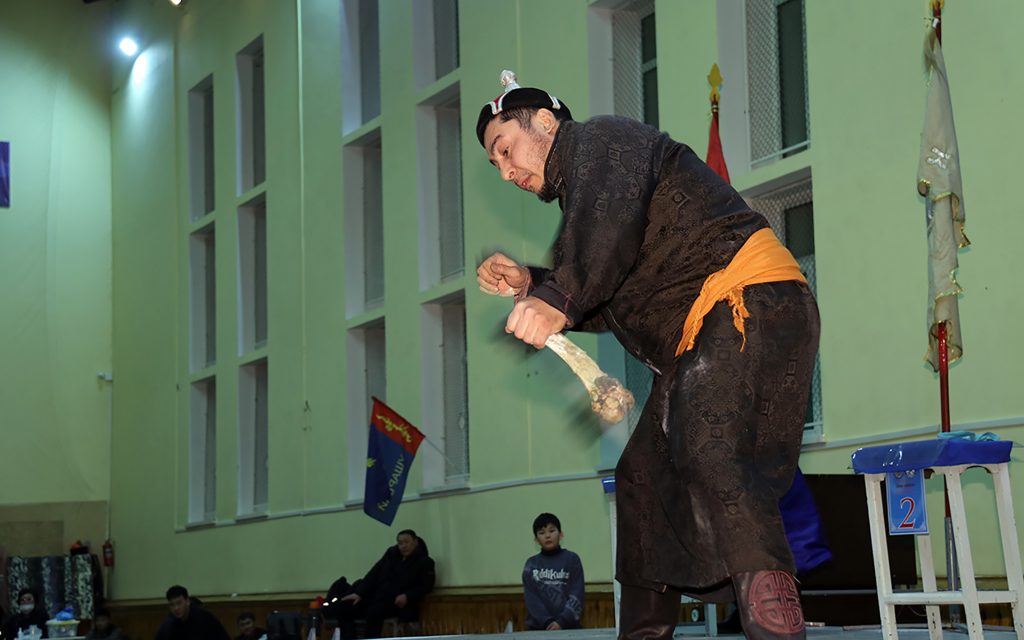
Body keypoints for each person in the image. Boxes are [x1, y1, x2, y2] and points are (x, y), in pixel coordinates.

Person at [475, 70, 820, 640]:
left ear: (544, 122)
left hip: (748, 302)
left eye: (505, 149)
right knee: (640, 477)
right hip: (706, 337)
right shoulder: (587, 203)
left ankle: (778, 632)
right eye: (495, 165)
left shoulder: (602, 142)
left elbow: (599, 249)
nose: (507, 172)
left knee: (711, 449)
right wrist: (532, 283)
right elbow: (608, 293)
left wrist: (556, 298)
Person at [329, 530, 435, 640]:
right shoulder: (391, 555)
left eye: (406, 542)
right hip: (377, 597)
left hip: (398, 602)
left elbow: (426, 586)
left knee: (374, 612)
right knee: (344, 607)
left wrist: (407, 596)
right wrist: (359, 593)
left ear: (415, 542)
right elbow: (374, 573)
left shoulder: (425, 562)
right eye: (400, 543)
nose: (403, 546)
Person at [522, 513, 584, 631]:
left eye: (552, 531)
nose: (547, 536)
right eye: (542, 533)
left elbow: (577, 594)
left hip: (569, 628)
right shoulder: (531, 565)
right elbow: (532, 600)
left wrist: (562, 622)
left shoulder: (572, 559)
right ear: (536, 540)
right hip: (539, 629)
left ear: (561, 535)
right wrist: (547, 622)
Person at [154, 585, 230, 640]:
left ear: (187, 601)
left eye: (179, 603)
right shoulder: (170, 624)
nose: (176, 608)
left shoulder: (204, 618)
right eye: (172, 605)